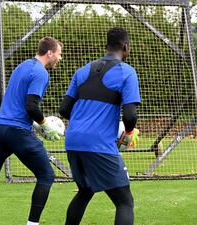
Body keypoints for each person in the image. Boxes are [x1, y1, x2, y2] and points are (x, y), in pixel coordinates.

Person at [0, 37, 63, 225]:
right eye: (59, 54)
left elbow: (16, 102)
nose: (59, 59)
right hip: (16, 131)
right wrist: (45, 124)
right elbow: (31, 106)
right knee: (47, 175)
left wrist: (35, 125)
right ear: (50, 53)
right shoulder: (41, 73)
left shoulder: (22, 66)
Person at [59, 27, 140, 225]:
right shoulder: (126, 72)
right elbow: (130, 114)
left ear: (106, 46)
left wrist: (85, 121)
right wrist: (128, 133)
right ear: (125, 47)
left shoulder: (82, 70)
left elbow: (64, 109)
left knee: (85, 191)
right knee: (124, 201)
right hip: (99, 144)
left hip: (73, 141)